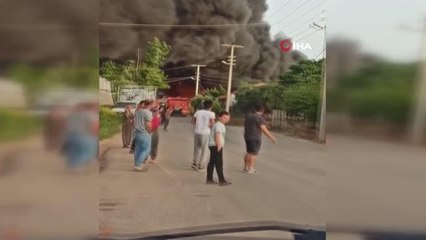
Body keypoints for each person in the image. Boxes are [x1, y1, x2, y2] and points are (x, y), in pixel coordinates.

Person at [243, 104, 277, 174]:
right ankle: (251, 168)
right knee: (254, 153)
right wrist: (272, 137)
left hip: (247, 136)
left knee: (249, 152)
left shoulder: (249, 116)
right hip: (255, 137)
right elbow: (264, 129)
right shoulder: (259, 118)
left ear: (255, 109)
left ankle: (246, 167)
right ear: (263, 110)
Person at [206, 111, 232, 186]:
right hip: (216, 145)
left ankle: (209, 178)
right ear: (219, 117)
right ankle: (221, 180)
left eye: (228, 118)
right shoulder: (219, 125)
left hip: (213, 145)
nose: (226, 119)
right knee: (219, 163)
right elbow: (217, 135)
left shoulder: (219, 124)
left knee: (212, 162)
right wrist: (219, 146)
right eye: (224, 118)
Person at [191, 100, 215, 171]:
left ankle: (195, 163)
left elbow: (192, 121)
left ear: (203, 105)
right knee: (204, 150)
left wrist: (198, 124)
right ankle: (201, 166)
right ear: (211, 106)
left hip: (197, 132)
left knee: (197, 148)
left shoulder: (198, 112)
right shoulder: (212, 114)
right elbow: (212, 123)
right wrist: (210, 125)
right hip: (205, 132)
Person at [133, 100, 154, 171]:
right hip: (144, 133)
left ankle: (136, 164)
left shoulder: (137, 111)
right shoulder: (148, 113)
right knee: (146, 149)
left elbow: (133, 122)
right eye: (152, 104)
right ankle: (139, 165)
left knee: (138, 149)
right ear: (150, 105)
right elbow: (148, 125)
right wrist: (150, 131)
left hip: (137, 132)